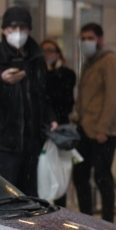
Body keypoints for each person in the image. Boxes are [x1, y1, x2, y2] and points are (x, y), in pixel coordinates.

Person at [0, 7, 52, 195]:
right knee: (4, 197)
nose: (18, 33)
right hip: (2, 143)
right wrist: (0, 81)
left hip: (31, 143)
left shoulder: (36, 59)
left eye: (23, 28)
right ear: (3, 30)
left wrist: (50, 119)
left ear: (29, 30)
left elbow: (42, 95)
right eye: (12, 28)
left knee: (30, 199)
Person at [73, 23, 116, 221]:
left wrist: (103, 128)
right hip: (86, 128)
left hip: (104, 131)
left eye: (90, 38)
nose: (86, 42)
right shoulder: (89, 62)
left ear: (100, 40)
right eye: (83, 38)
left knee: (102, 177)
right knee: (80, 176)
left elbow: (112, 97)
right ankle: (87, 219)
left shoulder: (109, 61)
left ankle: (108, 221)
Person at [39, 39, 77, 206]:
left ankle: (61, 210)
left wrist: (54, 72)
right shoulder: (37, 74)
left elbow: (65, 100)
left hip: (60, 128)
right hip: (41, 129)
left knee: (60, 171)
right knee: (42, 171)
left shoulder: (66, 74)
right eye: (45, 51)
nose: (49, 55)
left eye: (52, 50)